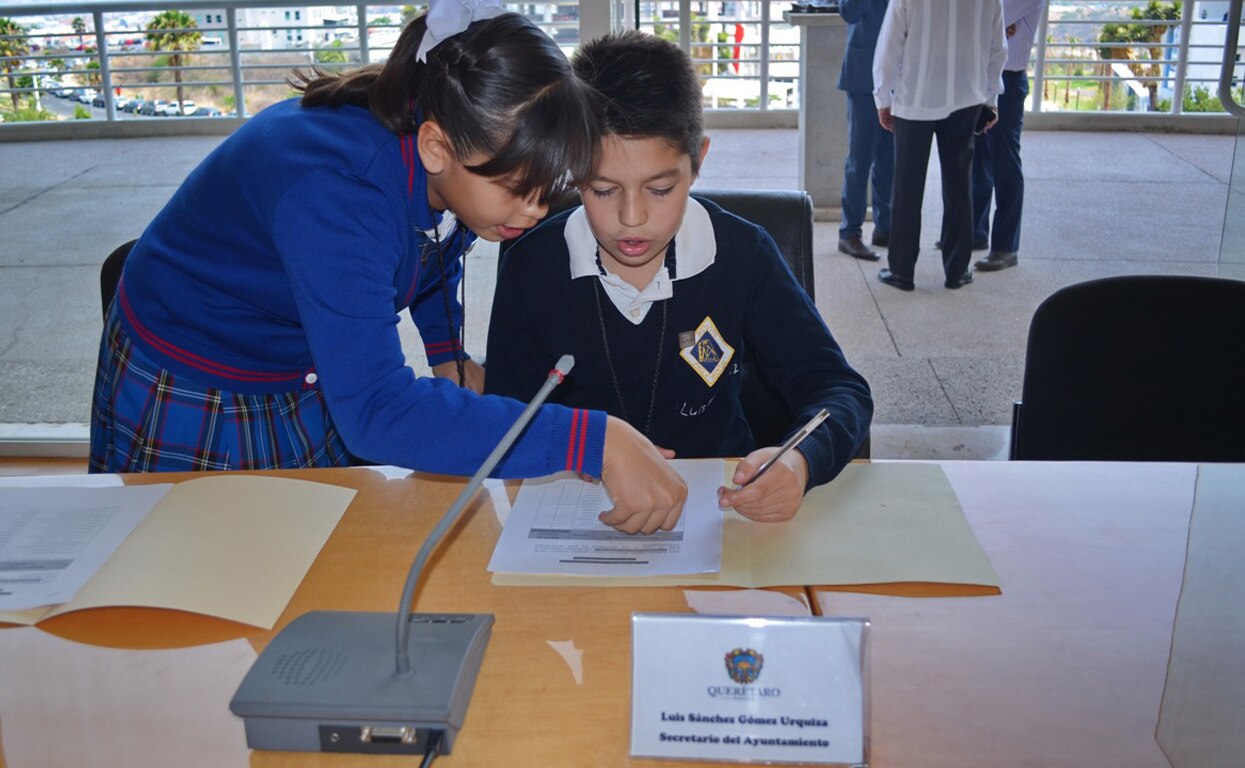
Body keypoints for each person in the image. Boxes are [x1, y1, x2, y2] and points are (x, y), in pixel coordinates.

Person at [88, 4, 687, 535]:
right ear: (436, 147)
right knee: (206, 561)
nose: (531, 212)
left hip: (303, 361)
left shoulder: (440, 147)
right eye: (513, 188)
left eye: (545, 189)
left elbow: (433, 242)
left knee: (309, 547)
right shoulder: (337, 193)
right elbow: (375, 411)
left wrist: (446, 351)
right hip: (199, 370)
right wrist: (590, 439)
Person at [484, 31, 873, 523]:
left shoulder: (742, 255)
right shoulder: (533, 264)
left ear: (699, 161)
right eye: (603, 189)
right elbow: (504, 416)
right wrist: (565, 450)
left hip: (721, 512)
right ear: (573, 166)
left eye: (661, 188)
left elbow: (839, 391)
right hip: (581, 512)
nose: (631, 217)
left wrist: (798, 461)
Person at [872, 0, 1007, 291]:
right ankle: (957, 271)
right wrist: (991, 97)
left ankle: (902, 271)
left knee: (906, 188)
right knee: (960, 187)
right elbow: (998, 49)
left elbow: (890, 45)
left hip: (915, 99)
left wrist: (883, 97)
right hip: (967, 97)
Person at [972, 0, 1045, 272]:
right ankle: (975, 232)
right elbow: (983, 21)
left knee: (1005, 163)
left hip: (1008, 80)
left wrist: (988, 28)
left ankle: (1005, 246)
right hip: (978, 77)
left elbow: (981, 19)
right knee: (977, 159)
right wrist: (995, 30)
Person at [837, 0, 893, 262]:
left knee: (889, 160)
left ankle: (885, 227)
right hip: (864, 77)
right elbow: (848, 11)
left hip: (898, 77)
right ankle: (850, 233)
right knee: (860, 160)